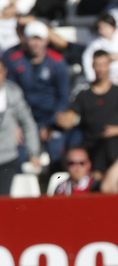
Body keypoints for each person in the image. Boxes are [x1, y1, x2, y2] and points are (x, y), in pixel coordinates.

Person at [3, 21, 71, 164]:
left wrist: (52, 124)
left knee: (58, 152)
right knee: (16, 154)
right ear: (26, 40)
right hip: (23, 117)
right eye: (32, 39)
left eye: (39, 39)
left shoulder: (57, 62)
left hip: (49, 116)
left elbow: (64, 96)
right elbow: (9, 93)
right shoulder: (14, 60)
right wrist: (14, 124)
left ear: (46, 40)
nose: (35, 43)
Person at [58, 51, 118, 174]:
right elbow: (71, 115)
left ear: (109, 66)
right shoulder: (83, 93)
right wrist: (65, 120)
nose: (100, 69)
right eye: (97, 65)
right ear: (92, 66)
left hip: (114, 144)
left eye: (104, 64)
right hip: (89, 144)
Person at [0, 57, 38, 195]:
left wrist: (33, 153)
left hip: (7, 158)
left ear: (4, 73)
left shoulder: (13, 94)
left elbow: (28, 124)